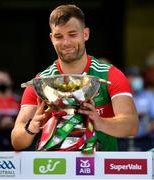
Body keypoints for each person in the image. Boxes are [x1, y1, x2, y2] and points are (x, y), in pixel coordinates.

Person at [11, 4, 138, 152]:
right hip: (55, 170)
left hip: (101, 171)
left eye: (72, 34)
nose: (66, 43)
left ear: (85, 34)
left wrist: (99, 122)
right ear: (52, 38)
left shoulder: (110, 74)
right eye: (59, 36)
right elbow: (16, 141)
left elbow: (131, 125)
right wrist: (32, 127)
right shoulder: (41, 82)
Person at [118, 66, 154, 151]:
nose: (137, 80)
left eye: (138, 77)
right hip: (123, 141)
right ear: (126, 79)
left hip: (144, 140)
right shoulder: (120, 96)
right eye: (133, 77)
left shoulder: (148, 96)